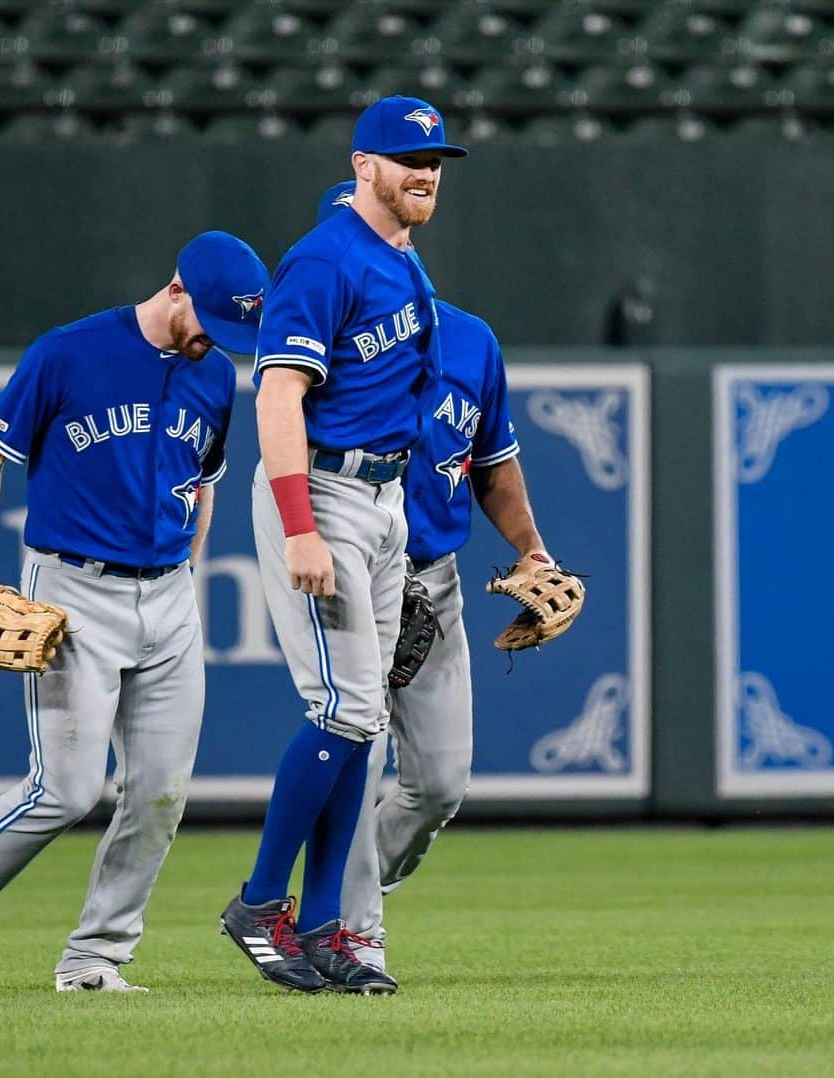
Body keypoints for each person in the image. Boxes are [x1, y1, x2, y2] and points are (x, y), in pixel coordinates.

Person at [0, 231, 269, 994]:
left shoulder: (216, 379)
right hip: (72, 589)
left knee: (161, 793)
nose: (216, 342)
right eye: (209, 321)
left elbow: (202, 480)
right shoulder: (67, 353)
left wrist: (188, 570)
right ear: (176, 290)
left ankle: (94, 959)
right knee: (66, 788)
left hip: (168, 593)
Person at [219, 97, 467, 995]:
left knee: (359, 720)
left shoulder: (402, 258)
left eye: (436, 157)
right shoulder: (325, 258)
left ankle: (323, 925)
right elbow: (278, 395)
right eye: (408, 157)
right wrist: (299, 525)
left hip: (384, 497)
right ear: (364, 164)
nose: (426, 171)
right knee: (344, 709)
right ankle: (258, 904)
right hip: (323, 489)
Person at [316, 181, 552, 979]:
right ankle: (352, 930)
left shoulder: (470, 342)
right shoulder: (322, 346)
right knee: (361, 751)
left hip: (435, 578)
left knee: (440, 783)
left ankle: (329, 903)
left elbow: (493, 464)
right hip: (352, 566)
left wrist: (531, 549)